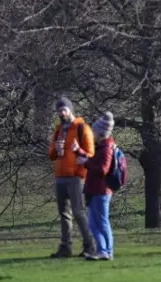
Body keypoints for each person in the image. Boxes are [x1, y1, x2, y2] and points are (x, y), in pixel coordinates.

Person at [48, 97, 96, 258]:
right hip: (60, 176)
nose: (61, 113)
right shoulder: (58, 130)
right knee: (63, 213)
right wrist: (56, 148)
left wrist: (77, 154)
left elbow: (91, 153)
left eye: (64, 109)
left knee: (78, 212)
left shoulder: (82, 128)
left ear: (70, 110)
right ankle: (65, 247)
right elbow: (51, 155)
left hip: (76, 176)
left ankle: (90, 245)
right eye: (59, 110)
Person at [72, 112, 115, 261]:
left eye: (94, 132)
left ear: (101, 133)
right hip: (95, 190)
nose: (92, 134)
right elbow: (92, 160)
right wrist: (79, 151)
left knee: (101, 222)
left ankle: (106, 251)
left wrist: (85, 163)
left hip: (101, 190)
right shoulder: (101, 147)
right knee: (94, 223)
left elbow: (103, 169)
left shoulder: (106, 148)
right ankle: (103, 251)